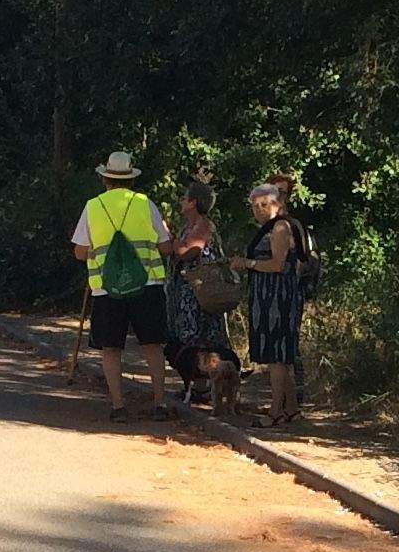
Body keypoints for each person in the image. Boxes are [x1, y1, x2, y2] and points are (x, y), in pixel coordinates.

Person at [70, 150, 170, 421]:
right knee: (152, 345)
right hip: (146, 284)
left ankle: (118, 406)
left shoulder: (93, 207)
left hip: (107, 288)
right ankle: (160, 404)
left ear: (105, 179)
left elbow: (80, 251)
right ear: (131, 180)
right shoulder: (145, 203)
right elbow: (165, 245)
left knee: (111, 348)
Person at [231, 177, 310, 426]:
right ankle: (291, 409)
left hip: (278, 295)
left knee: (278, 356)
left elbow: (277, 264)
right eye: (255, 205)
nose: (259, 209)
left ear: (277, 204)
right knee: (278, 357)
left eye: (264, 204)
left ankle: (275, 411)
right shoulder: (269, 227)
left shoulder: (280, 228)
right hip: (266, 295)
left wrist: (248, 264)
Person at [161, 181, 243, 416]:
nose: (181, 201)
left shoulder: (204, 226)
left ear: (193, 202)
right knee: (188, 338)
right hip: (186, 292)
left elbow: (188, 251)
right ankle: (197, 384)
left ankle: (210, 384)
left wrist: (171, 239)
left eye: (185, 197)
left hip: (200, 295)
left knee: (202, 338)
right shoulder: (190, 225)